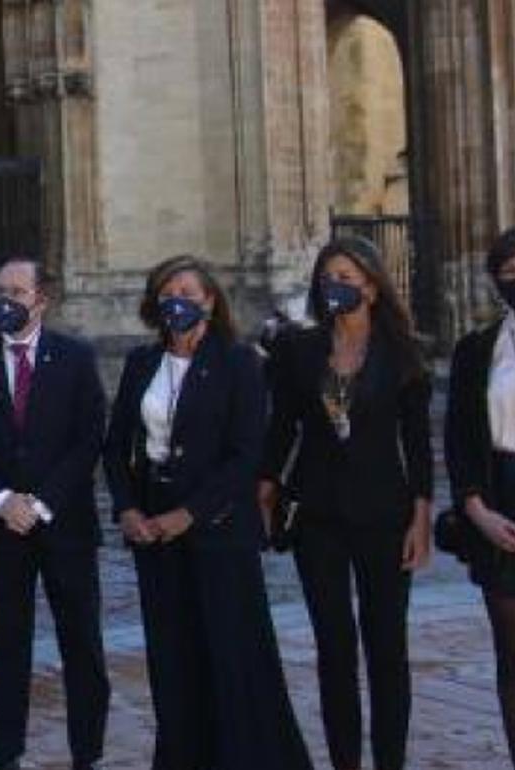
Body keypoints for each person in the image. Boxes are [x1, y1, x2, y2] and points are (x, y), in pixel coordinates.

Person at [103, 256, 313, 769]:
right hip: (153, 530)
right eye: (167, 290)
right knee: (172, 655)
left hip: (218, 529)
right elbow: (114, 447)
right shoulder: (141, 363)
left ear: (210, 301)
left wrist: (188, 515)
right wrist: (127, 507)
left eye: (188, 290)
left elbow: (245, 454)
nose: (177, 299)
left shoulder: (239, 363)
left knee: (230, 650)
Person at [260, 237, 432, 770]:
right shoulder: (301, 350)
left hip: (385, 516)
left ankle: (389, 761)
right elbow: (283, 426)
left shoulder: (402, 355)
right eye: (328, 275)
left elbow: (419, 446)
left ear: (372, 287)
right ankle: (345, 762)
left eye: (347, 276)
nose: (336, 285)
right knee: (334, 650)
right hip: (319, 518)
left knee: (386, 650)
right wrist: (264, 484)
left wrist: (421, 518)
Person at [0, 257, 110, 770]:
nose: (5, 300)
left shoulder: (76, 356)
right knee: (6, 643)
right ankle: (6, 748)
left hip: (64, 523)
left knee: (81, 641)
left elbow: (88, 439)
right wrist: (0, 499)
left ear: (41, 299)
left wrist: (41, 503)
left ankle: (87, 749)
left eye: (16, 291)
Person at [445, 227, 515, 763]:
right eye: (506, 272)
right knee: (511, 655)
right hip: (499, 503)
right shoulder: (477, 351)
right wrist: (475, 509)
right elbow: (461, 440)